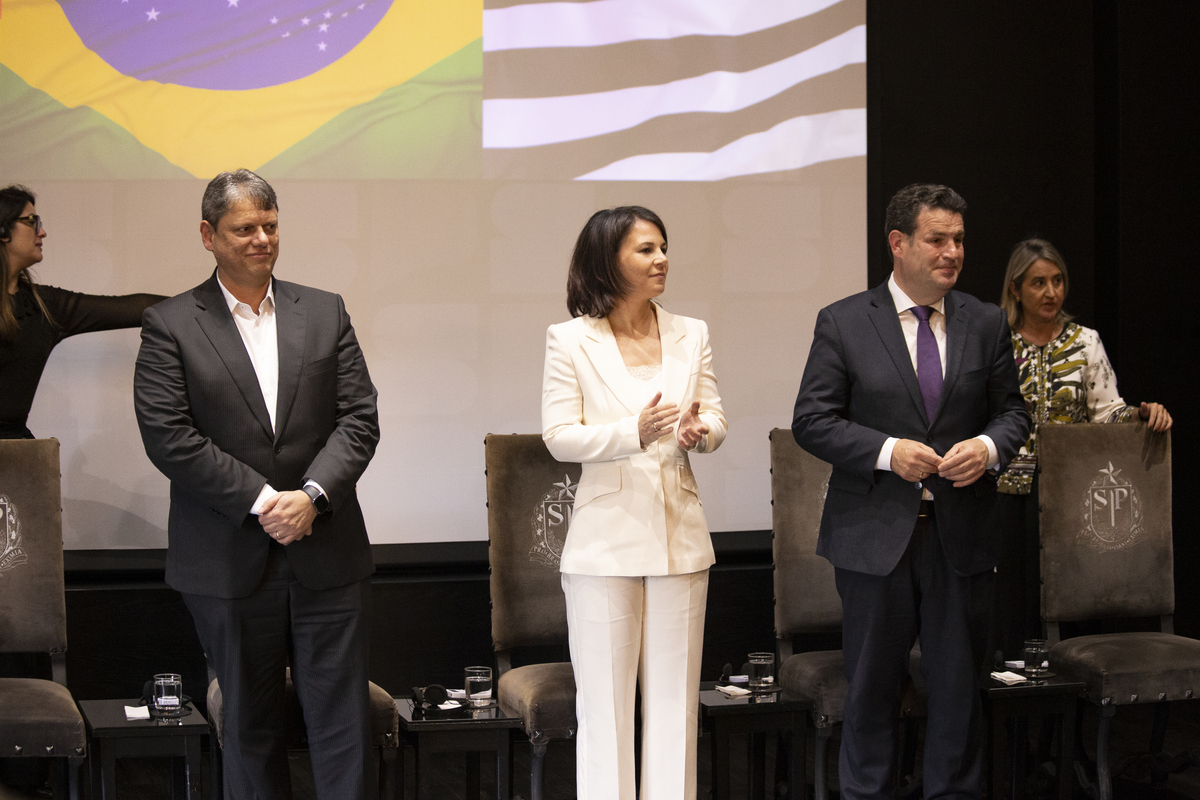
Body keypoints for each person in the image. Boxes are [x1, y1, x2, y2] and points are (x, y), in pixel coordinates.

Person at [133, 170, 380, 799]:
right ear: (208, 235)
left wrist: (313, 497)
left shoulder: (324, 310)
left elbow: (359, 418)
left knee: (344, 727)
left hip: (327, 551)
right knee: (249, 728)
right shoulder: (170, 323)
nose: (261, 239)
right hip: (227, 557)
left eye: (270, 226)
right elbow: (168, 436)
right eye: (244, 229)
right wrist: (266, 501)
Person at [792, 184, 1029, 800]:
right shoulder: (844, 321)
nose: (953, 252)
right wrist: (887, 452)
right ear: (898, 243)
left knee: (958, 695)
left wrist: (989, 447)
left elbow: (1013, 413)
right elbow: (812, 421)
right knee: (871, 693)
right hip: (874, 537)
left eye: (959, 240)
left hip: (961, 536)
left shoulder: (985, 321)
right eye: (937, 239)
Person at [541, 206, 726, 800]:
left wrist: (702, 433)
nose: (661, 259)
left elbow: (714, 416)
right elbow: (558, 436)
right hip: (604, 543)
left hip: (680, 534)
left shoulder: (691, 332)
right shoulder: (570, 339)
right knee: (607, 713)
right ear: (607, 259)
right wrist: (633, 433)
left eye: (663, 247)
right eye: (646, 249)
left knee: (676, 709)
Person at [992, 238, 1172, 656]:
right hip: (1005, 492)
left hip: (1067, 494)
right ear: (1015, 288)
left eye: (1057, 281)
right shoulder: (997, 342)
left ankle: (1068, 685)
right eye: (1038, 282)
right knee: (1010, 600)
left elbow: (1107, 412)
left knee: (1066, 601)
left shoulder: (1084, 341)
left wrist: (1141, 414)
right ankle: (1010, 687)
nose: (1051, 292)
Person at [0, 184, 165, 440]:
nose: (42, 232)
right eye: (32, 221)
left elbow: (134, 308)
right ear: (3, 230)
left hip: (18, 453)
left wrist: (208, 303)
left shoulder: (44, 306)